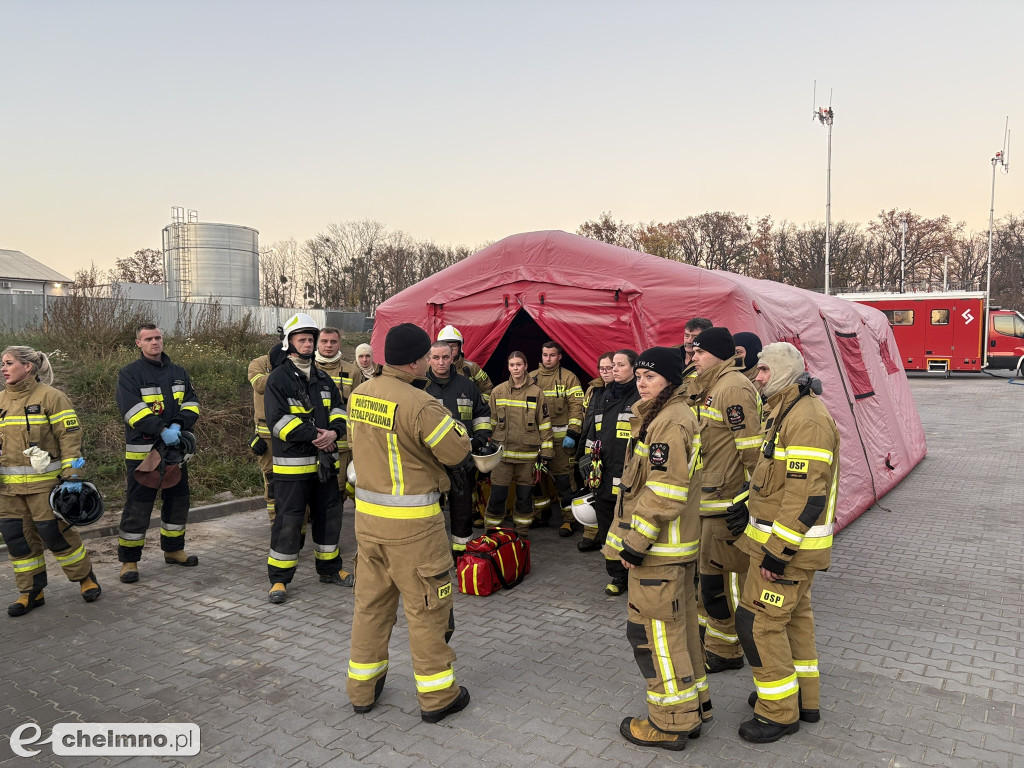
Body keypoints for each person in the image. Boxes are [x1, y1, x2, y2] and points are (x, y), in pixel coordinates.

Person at [346, 323, 473, 723]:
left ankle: (362, 690)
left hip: (368, 524)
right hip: (415, 528)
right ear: (418, 360)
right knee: (427, 611)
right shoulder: (421, 404)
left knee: (370, 607)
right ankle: (438, 699)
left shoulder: (360, 394)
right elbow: (455, 452)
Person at [603, 347, 710, 751]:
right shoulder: (663, 415)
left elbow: (664, 491)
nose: (641, 382)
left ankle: (668, 724)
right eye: (640, 375)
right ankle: (692, 709)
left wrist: (634, 543)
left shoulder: (668, 422)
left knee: (652, 638)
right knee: (678, 633)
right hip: (671, 551)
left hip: (659, 552)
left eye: (650, 376)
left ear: (670, 381)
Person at [732, 342, 839, 743]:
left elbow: (807, 496)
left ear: (781, 371)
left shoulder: (806, 418)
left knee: (758, 624)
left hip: (785, 552)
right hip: (783, 549)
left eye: (762, 370)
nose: (756, 377)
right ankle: (801, 700)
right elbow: (776, 483)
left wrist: (778, 554)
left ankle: (777, 713)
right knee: (793, 622)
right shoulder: (786, 409)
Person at [0, 346, 101, 616]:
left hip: (44, 487)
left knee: (55, 535)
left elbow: (70, 439)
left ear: (28, 367)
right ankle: (31, 591)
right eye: (3, 363)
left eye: (9, 363)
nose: (3, 368)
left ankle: (85, 578)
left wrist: (74, 476)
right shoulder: (0, 401)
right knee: (18, 541)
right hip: (7, 492)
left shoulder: (52, 398)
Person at [689, 327, 762, 673]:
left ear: (718, 354)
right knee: (708, 580)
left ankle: (727, 651)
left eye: (699, 353)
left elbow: (752, 452)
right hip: (708, 499)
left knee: (725, 581)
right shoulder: (711, 387)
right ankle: (714, 642)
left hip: (726, 502)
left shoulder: (732, 388)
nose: (693, 358)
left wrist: (750, 500)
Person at [264, 313, 351, 604]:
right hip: (293, 467)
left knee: (329, 517)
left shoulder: (323, 378)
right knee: (289, 521)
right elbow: (277, 421)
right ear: (289, 342)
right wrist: (316, 434)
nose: (307, 343)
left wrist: (335, 433)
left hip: (324, 464)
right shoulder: (278, 379)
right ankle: (279, 580)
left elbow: (339, 410)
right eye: (302, 339)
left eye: (310, 339)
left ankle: (329, 569)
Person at [116, 324, 200, 584]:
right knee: (138, 506)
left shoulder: (178, 372)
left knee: (178, 501)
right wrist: (162, 429)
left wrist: (178, 424)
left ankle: (174, 550)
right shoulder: (129, 374)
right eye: (149, 339)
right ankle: (129, 560)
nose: (155, 342)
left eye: (158, 338)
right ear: (138, 343)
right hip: (144, 453)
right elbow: (132, 411)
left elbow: (192, 403)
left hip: (174, 453)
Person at [580, 351, 641, 599]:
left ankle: (635, 571)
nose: (614, 369)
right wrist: (587, 461)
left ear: (633, 368)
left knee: (630, 524)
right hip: (603, 473)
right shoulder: (605, 394)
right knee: (608, 526)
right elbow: (594, 430)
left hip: (628, 473)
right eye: (612, 365)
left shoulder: (640, 396)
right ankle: (616, 574)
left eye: (620, 365)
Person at [424, 340, 492, 560]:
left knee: (462, 508)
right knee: (429, 507)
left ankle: (461, 554)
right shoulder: (420, 387)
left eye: (445, 357)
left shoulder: (467, 385)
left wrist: (478, 440)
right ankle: (432, 553)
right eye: (436, 358)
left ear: (453, 357)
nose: (441, 362)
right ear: (428, 359)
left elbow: (482, 414)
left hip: (462, 459)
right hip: (430, 460)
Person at [484, 351, 553, 538]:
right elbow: (490, 422)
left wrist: (546, 451)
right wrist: (487, 446)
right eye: (512, 365)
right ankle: (492, 532)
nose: (515, 368)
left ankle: (521, 533)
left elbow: (544, 423)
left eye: (519, 364)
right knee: (497, 496)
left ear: (525, 366)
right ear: (508, 367)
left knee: (524, 497)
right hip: (502, 455)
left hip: (527, 456)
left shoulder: (536, 393)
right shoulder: (498, 391)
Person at [530, 341, 584, 536]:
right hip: (537, 441)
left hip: (562, 442)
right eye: (545, 355)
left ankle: (570, 520)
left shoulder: (569, 378)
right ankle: (541, 514)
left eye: (552, 355)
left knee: (564, 481)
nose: (548, 358)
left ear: (560, 356)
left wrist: (573, 432)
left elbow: (578, 406)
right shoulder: (531, 379)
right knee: (537, 480)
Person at [575, 352, 614, 545]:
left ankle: (608, 535)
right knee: (591, 486)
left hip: (611, 451)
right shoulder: (593, 390)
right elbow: (586, 420)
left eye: (609, 368)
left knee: (608, 493)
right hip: (591, 445)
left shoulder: (621, 392)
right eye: (602, 368)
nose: (605, 372)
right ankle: (590, 534)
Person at [315, 326, 358, 498]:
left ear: (339, 343)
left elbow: (357, 409)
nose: (328, 345)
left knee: (337, 492)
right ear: (317, 343)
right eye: (324, 341)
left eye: (333, 341)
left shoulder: (352, 371)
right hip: (313, 442)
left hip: (342, 445)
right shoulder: (307, 368)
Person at [248, 343, 287, 521]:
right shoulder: (258, 364)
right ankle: (274, 518)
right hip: (266, 435)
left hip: (291, 430)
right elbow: (260, 385)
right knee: (272, 479)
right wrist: (282, 371)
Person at [437, 324, 492, 396]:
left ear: (460, 347)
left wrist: (479, 405)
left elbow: (488, 390)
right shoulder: (431, 368)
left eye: (454, 346)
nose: (450, 350)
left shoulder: (472, 368)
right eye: (446, 346)